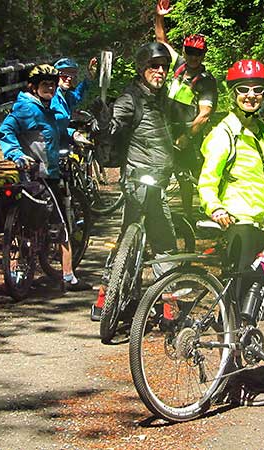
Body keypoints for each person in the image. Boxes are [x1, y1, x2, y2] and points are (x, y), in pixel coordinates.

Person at [198, 59, 264, 406]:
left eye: (258, 89)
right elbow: (208, 179)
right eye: (243, 90)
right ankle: (230, 377)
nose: (251, 95)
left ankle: (245, 347)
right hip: (238, 222)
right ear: (233, 94)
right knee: (237, 303)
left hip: (261, 221)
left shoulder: (258, 130)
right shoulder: (224, 132)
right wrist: (215, 206)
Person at [89, 42, 179, 320]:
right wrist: (103, 120)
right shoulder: (131, 99)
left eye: (164, 67)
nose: (160, 71)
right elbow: (112, 127)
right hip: (138, 178)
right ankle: (162, 301)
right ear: (142, 69)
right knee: (161, 240)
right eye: (154, 66)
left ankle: (120, 294)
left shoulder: (163, 98)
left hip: (160, 179)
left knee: (136, 236)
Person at [0, 64, 92, 291]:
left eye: (52, 83)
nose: (50, 87)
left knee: (31, 225)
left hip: (44, 173)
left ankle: (19, 270)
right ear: (34, 87)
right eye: (45, 84)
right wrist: (17, 154)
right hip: (40, 175)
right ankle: (68, 277)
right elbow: (6, 130)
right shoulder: (27, 108)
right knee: (61, 225)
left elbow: (53, 131)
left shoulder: (45, 107)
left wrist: (73, 134)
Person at [155, 0, 218, 221]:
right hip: (166, 127)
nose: (193, 57)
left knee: (186, 177)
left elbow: (205, 115)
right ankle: (156, 213)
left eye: (198, 53)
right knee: (158, 172)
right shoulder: (178, 64)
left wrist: (186, 137)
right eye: (190, 51)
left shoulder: (207, 81)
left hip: (188, 132)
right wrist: (160, 17)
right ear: (185, 51)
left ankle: (190, 215)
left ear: (204, 55)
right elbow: (161, 41)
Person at [51, 56, 98, 137]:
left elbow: (78, 94)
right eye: (64, 75)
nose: (69, 78)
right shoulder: (50, 95)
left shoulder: (67, 95)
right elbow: (47, 126)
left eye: (72, 75)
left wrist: (89, 77)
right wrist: (72, 134)